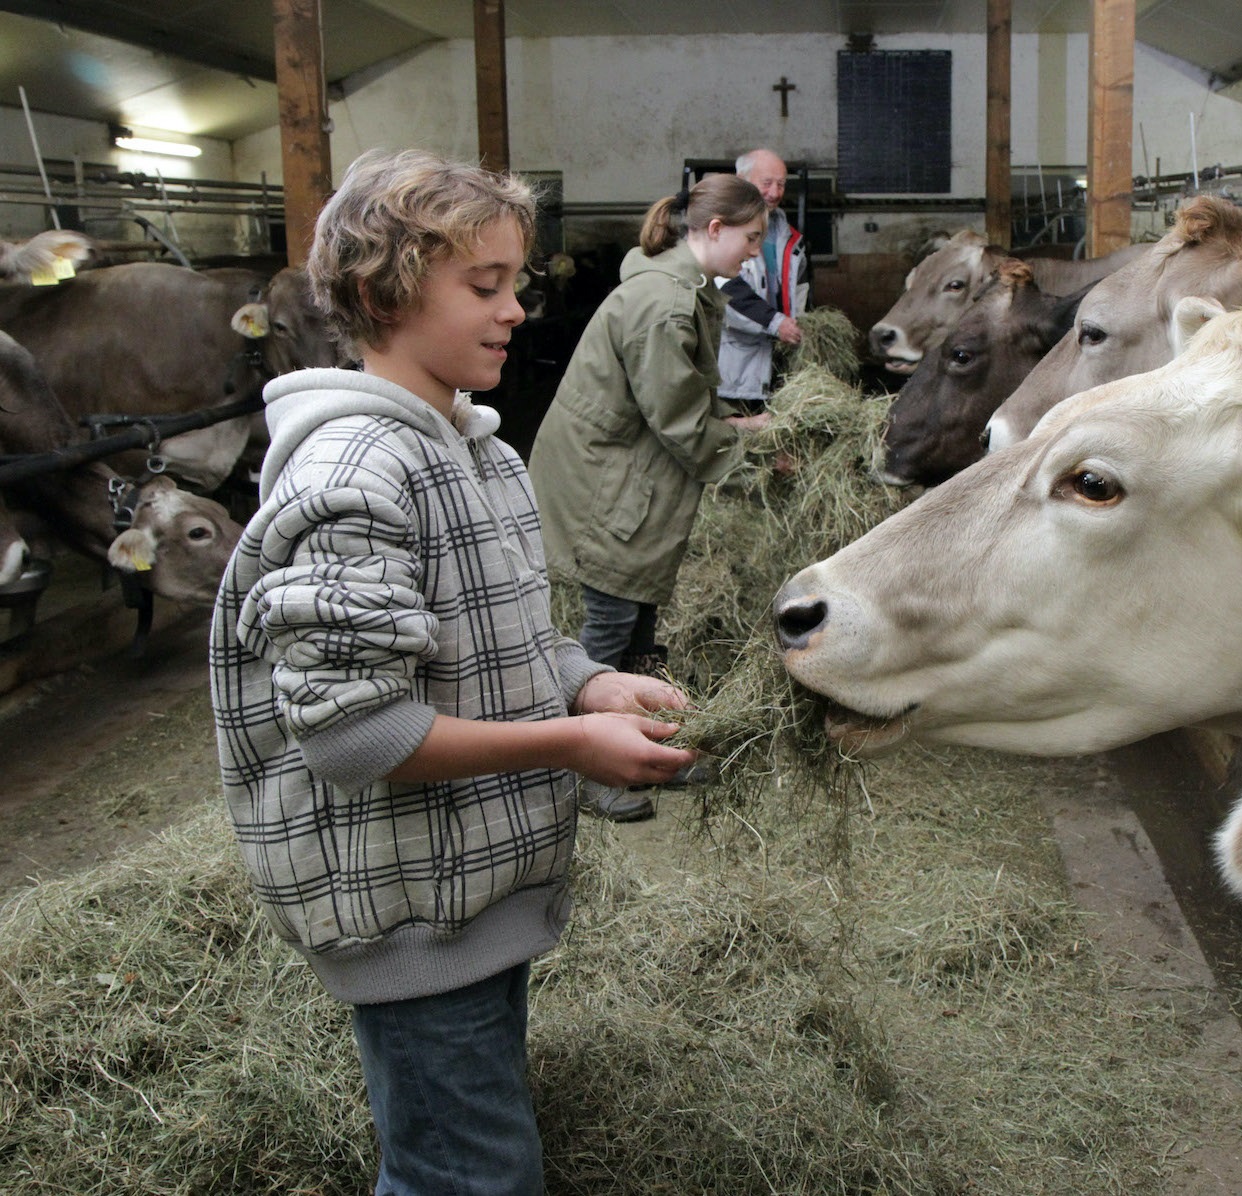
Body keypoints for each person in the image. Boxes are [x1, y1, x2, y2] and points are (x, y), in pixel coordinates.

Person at [209, 147, 697, 1196]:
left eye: (516, 281)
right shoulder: (356, 470)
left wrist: (583, 681)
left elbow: (500, 636)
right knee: (466, 1174)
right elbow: (353, 735)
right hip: (407, 906)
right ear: (386, 288)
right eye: (486, 285)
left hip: (470, 885)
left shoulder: (479, 450)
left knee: (476, 1150)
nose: (516, 308)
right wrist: (572, 742)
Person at [528, 173, 769, 819]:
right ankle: (588, 772)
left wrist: (740, 423)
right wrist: (752, 458)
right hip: (609, 479)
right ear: (713, 229)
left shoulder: (679, 288)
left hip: (628, 467)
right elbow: (679, 421)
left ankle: (647, 754)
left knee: (638, 621)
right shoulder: (663, 304)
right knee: (608, 625)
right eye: (750, 238)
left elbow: (680, 397)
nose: (755, 253)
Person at [715, 148, 809, 414]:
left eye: (781, 184)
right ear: (742, 180)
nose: (775, 192)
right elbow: (726, 292)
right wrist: (776, 323)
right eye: (766, 183)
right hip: (734, 367)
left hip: (780, 361)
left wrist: (798, 326)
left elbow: (800, 290)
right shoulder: (722, 230)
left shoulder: (791, 239)